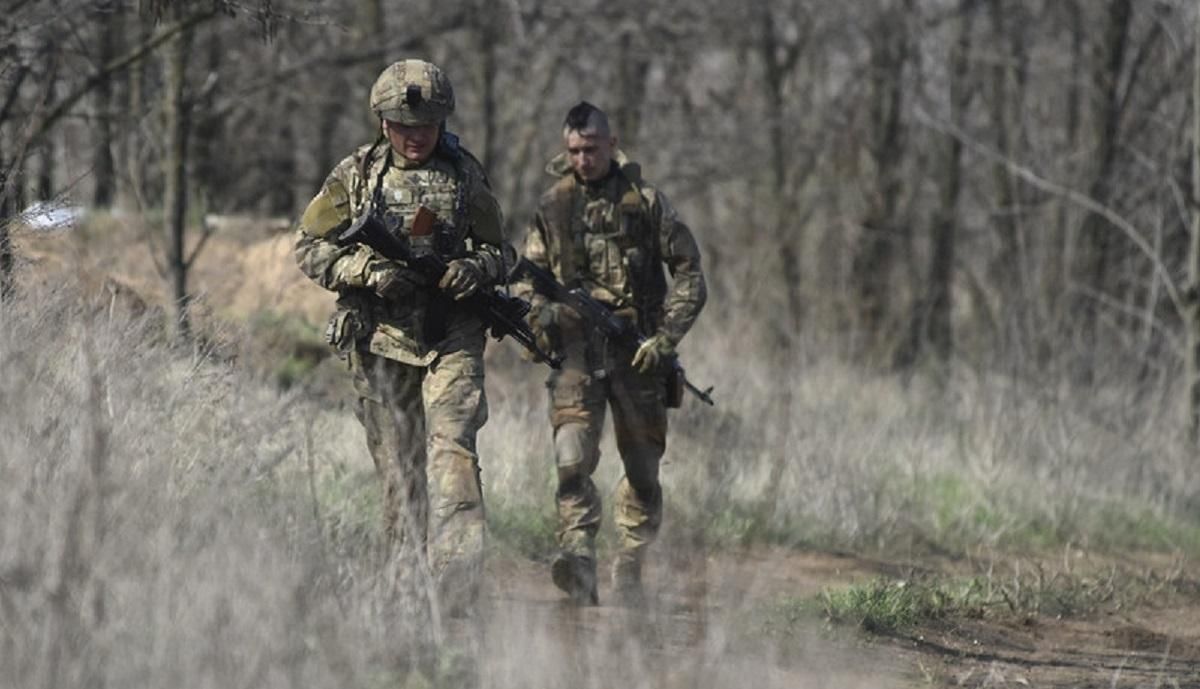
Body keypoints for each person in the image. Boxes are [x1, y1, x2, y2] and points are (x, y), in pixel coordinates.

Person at [293, 58, 511, 618]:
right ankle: (405, 592)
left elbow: (501, 251)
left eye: (426, 125)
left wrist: (476, 269)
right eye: (403, 125)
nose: (416, 136)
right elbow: (309, 247)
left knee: (453, 452)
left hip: (451, 336)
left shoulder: (465, 175)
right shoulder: (355, 176)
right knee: (399, 473)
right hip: (381, 338)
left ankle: (457, 592)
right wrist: (366, 272)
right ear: (382, 122)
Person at [516, 101, 707, 605]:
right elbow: (526, 282)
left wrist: (665, 338)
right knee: (571, 457)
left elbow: (690, 274)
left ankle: (633, 562)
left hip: (637, 355)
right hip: (576, 355)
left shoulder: (646, 202)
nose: (583, 159)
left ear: (612, 144)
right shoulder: (552, 206)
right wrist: (544, 318)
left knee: (643, 469)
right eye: (574, 150)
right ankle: (578, 555)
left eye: (592, 149)